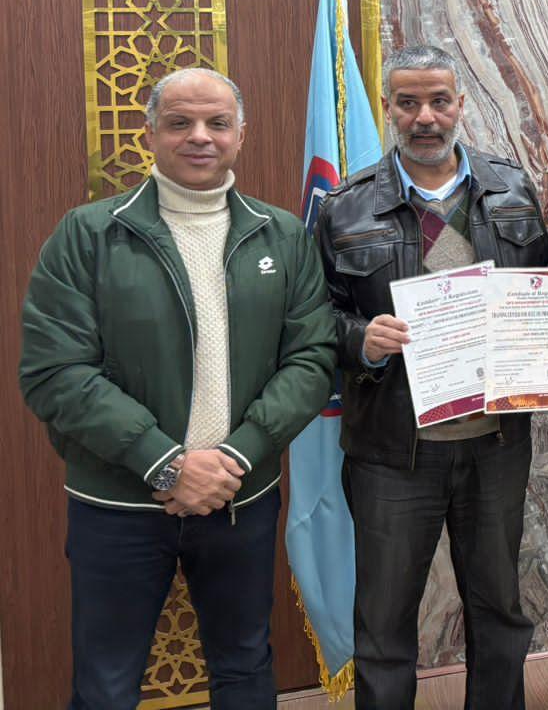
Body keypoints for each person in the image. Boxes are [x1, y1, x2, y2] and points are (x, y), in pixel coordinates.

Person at [19, 67, 335, 709]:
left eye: (217, 123)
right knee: (106, 683)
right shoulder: (88, 234)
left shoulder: (281, 236)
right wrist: (166, 464)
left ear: (241, 134)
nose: (200, 136)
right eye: (179, 123)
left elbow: (312, 358)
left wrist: (236, 456)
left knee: (245, 668)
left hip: (240, 496)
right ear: (150, 135)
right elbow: (56, 372)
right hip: (118, 503)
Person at [317, 43, 548, 709]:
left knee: (499, 612)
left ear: (460, 104)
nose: (425, 117)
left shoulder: (511, 189)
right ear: (389, 108)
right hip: (391, 452)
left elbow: (540, 282)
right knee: (383, 623)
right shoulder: (343, 208)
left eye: (439, 101)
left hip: (495, 446)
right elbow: (312, 319)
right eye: (409, 103)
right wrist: (360, 339)